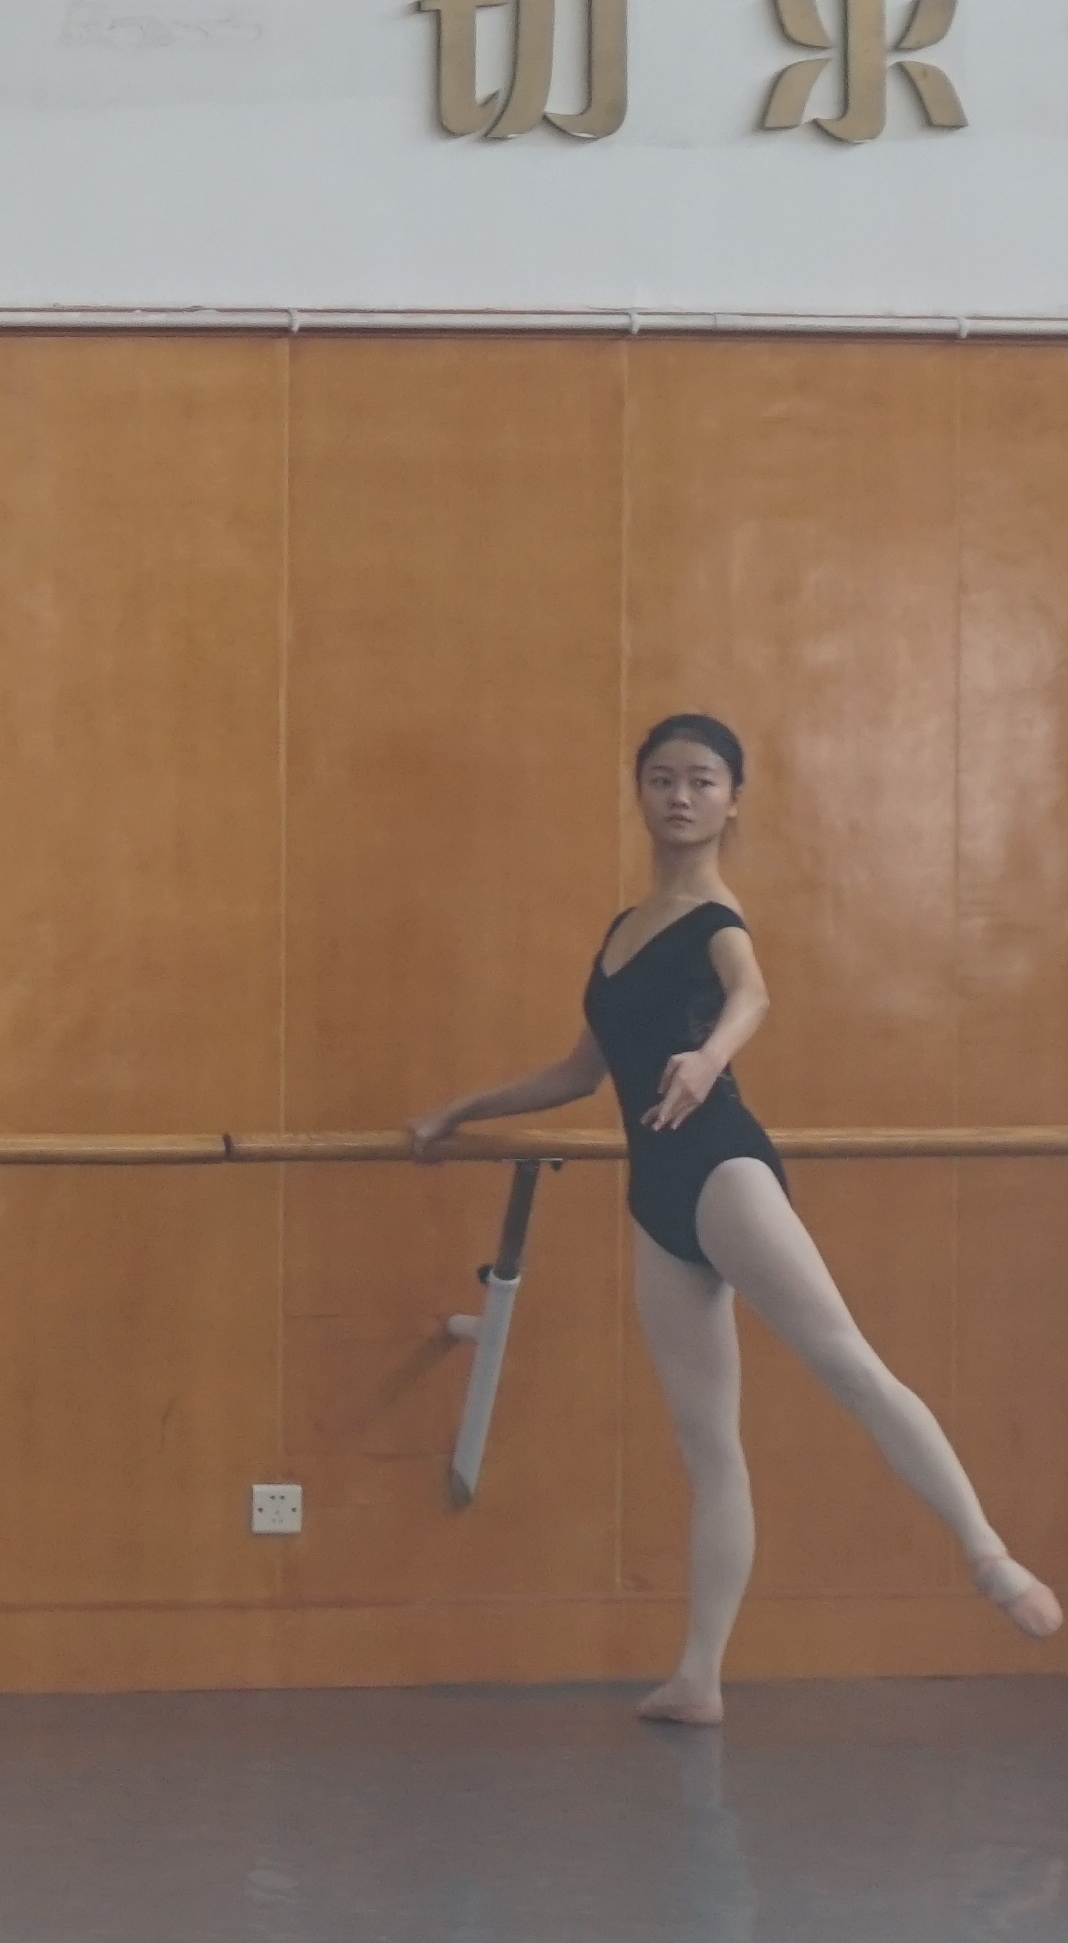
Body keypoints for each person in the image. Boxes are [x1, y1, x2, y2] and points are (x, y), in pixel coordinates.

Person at [413, 712, 1060, 1725]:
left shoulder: (716, 915)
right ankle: (698, 1677)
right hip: (655, 1197)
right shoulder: (621, 930)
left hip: (721, 1165)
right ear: (640, 789)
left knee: (846, 1362)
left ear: (731, 799)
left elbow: (752, 995)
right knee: (707, 1445)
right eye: (662, 777)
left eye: (702, 779)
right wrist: (460, 1111)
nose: (680, 795)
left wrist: (709, 1055)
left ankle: (988, 1555)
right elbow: (579, 1072)